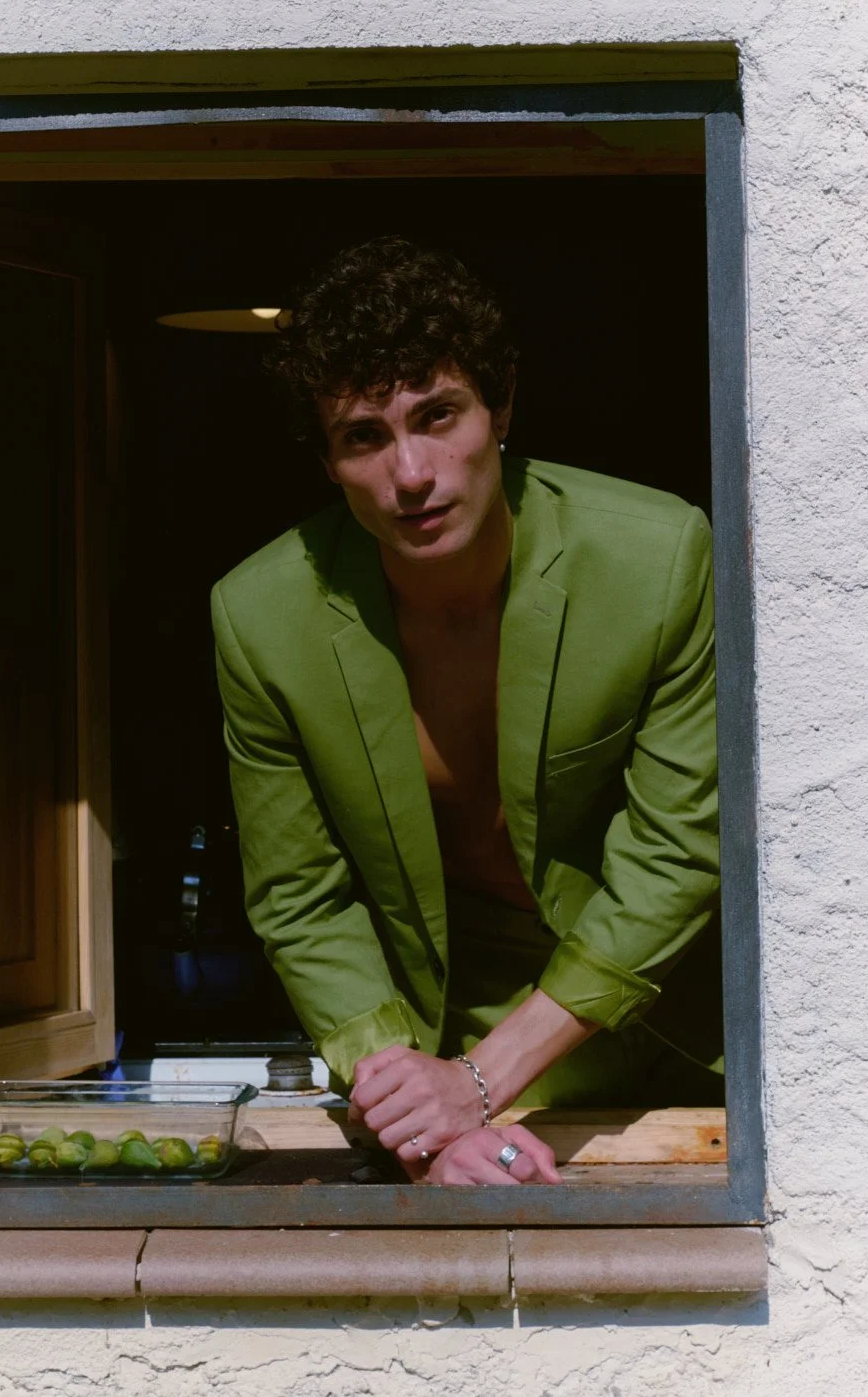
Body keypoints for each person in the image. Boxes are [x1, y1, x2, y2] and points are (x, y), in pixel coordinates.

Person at [210, 238, 721, 1187]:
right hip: (431, 1046)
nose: (411, 473)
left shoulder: (655, 560)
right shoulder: (261, 618)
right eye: (364, 436)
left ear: (501, 407)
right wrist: (415, 1106)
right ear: (327, 460)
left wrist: (477, 1085)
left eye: (436, 415)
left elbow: (679, 853)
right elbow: (299, 898)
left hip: (673, 1041)